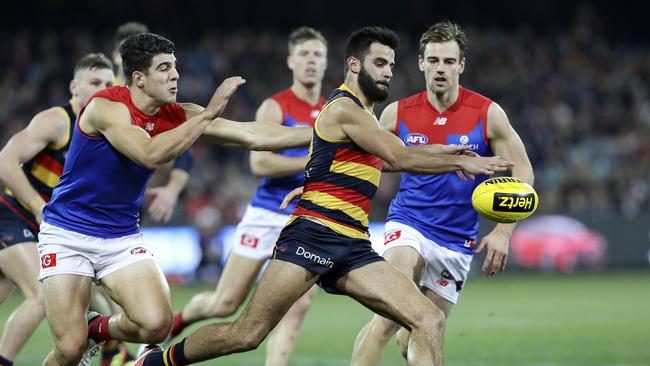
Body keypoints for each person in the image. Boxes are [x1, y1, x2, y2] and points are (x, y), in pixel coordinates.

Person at [135, 26, 513, 366]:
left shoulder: (364, 117)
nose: (387, 72)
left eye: (391, 66)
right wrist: (460, 164)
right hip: (312, 234)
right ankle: (156, 362)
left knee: (429, 318)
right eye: (379, 63)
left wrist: (455, 155)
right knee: (246, 334)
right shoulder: (345, 108)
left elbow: (394, 159)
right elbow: (398, 155)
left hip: (353, 245)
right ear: (353, 64)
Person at [38, 32, 313, 366]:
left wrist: (326, 131)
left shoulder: (178, 113)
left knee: (156, 325)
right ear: (138, 79)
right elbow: (148, 154)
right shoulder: (105, 107)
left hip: (120, 236)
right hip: (68, 234)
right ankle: (82, 336)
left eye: (175, 67)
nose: (175, 75)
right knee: (68, 349)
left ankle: (96, 328)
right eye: (165, 68)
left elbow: (253, 135)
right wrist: (209, 113)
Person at [350, 21, 535, 365]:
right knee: (387, 317)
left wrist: (503, 231)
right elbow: (364, 159)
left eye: (449, 61)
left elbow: (522, 169)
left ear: (461, 65)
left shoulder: (486, 113)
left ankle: (411, 341)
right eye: (433, 60)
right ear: (421, 62)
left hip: (457, 240)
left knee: (421, 335)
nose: (440, 68)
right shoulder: (397, 113)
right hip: (409, 225)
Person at [167, 26, 327, 366]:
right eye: (304, 54)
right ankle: (176, 323)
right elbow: (260, 162)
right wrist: (317, 158)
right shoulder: (275, 106)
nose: (311, 61)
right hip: (268, 213)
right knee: (224, 304)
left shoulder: (332, 110)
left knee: (297, 304)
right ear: (290, 61)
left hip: (307, 215)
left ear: (327, 63)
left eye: (317, 54)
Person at [0, 53, 115, 366]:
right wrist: (38, 206)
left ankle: (113, 352)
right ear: (74, 88)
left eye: (108, 83)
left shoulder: (106, 129)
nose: (103, 89)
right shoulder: (58, 120)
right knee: (40, 296)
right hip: (14, 214)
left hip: (54, 229)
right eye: (95, 83)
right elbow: (5, 161)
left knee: (98, 303)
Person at [113, 21, 193, 225]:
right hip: (87, 205)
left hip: (132, 201)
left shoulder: (160, 101)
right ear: (116, 56)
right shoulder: (100, 98)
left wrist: (172, 189)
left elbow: (184, 150)